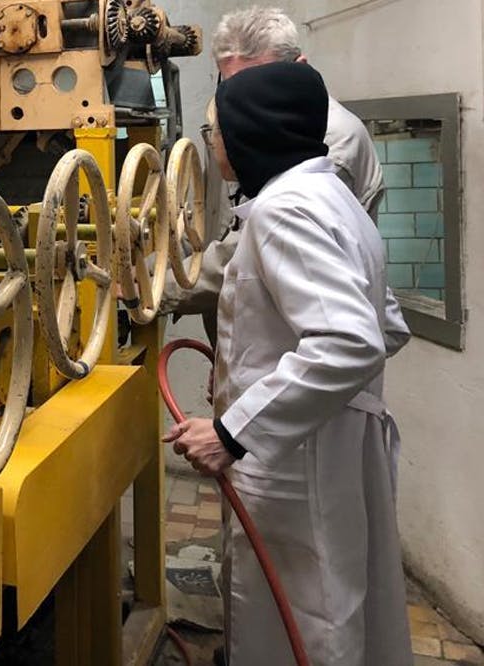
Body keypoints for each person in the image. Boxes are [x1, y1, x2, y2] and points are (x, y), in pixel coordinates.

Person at [163, 61, 412, 665]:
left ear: (253, 134)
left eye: (216, 132)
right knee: (337, 604)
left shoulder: (284, 212)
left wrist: (231, 432)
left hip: (297, 469)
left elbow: (350, 340)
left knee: (302, 617)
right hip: (325, 447)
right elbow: (389, 325)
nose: (214, 146)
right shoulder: (332, 197)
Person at [161, 6, 388, 324]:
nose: (240, 103)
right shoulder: (230, 125)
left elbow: (241, 253)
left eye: (257, 82)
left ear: (300, 69)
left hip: (289, 341)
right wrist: (143, 268)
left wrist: (155, 289)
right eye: (229, 86)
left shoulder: (334, 143)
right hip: (242, 335)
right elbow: (203, 222)